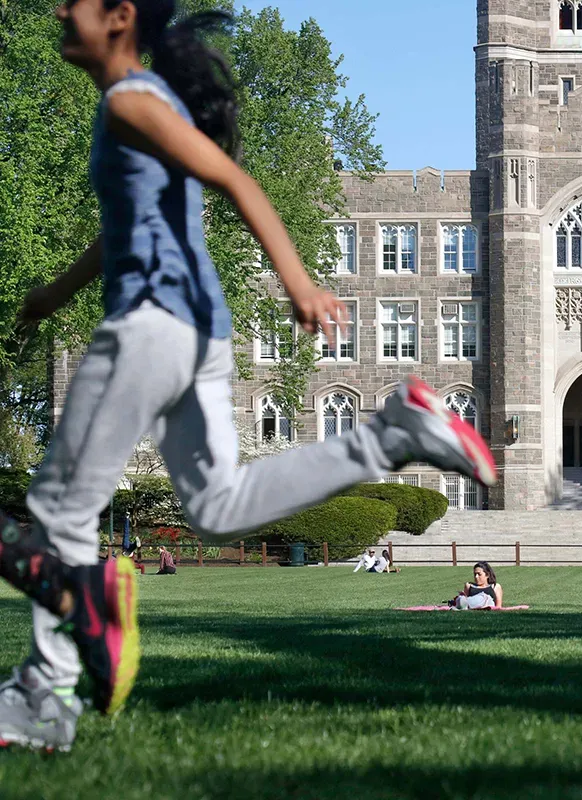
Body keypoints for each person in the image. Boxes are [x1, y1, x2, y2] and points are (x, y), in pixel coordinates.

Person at [0, 0, 500, 752]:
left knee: (61, 513)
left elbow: (233, 178)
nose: (62, 10)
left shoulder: (133, 99)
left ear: (119, 18)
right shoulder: (138, 109)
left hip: (149, 323)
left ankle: (51, 685)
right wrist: (54, 295)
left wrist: (300, 282)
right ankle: (391, 436)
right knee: (219, 505)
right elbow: (127, 227)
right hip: (201, 332)